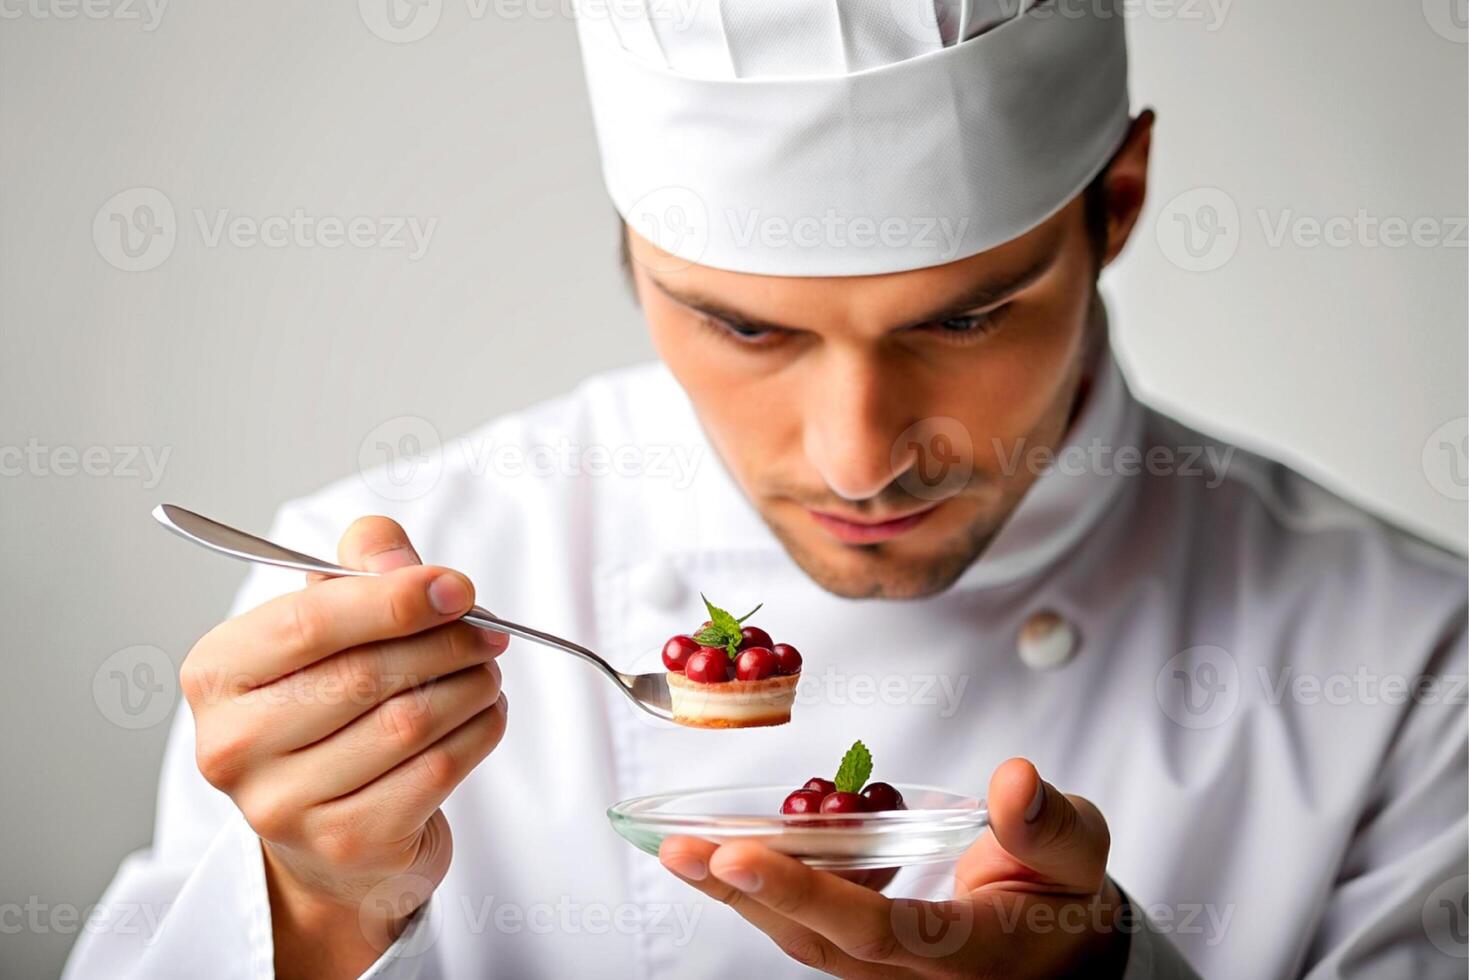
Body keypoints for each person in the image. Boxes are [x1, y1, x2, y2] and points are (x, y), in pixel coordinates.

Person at [65, 1, 1467, 978]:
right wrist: (313, 914)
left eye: (963, 320)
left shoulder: (1413, 670)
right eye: (745, 328)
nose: (857, 458)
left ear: (1119, 201)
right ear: (631, 253)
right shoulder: (368, 593)